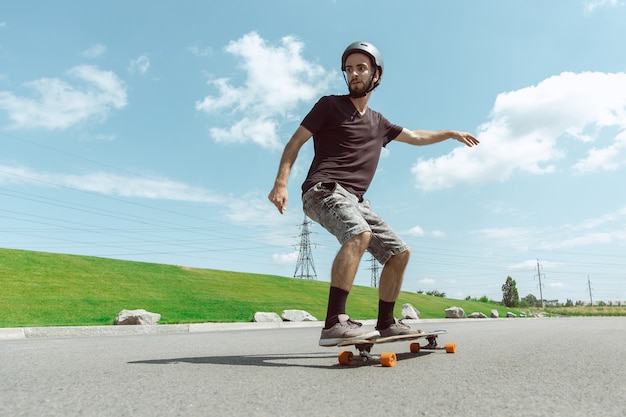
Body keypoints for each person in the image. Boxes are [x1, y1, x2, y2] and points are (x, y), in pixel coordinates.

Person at [268, 41, 479, 346]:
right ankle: (334, 322)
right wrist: (280, 183)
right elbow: (295, 143)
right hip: (323, 190)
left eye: (361, 68)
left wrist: (449, 133)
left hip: (355, 200)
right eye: (348, 69)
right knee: (358, 233)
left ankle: (387, 322)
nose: (353, 74)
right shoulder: (329, 105)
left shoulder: (379, 123)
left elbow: (417, 137)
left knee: (399, 252)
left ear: (376, 75)